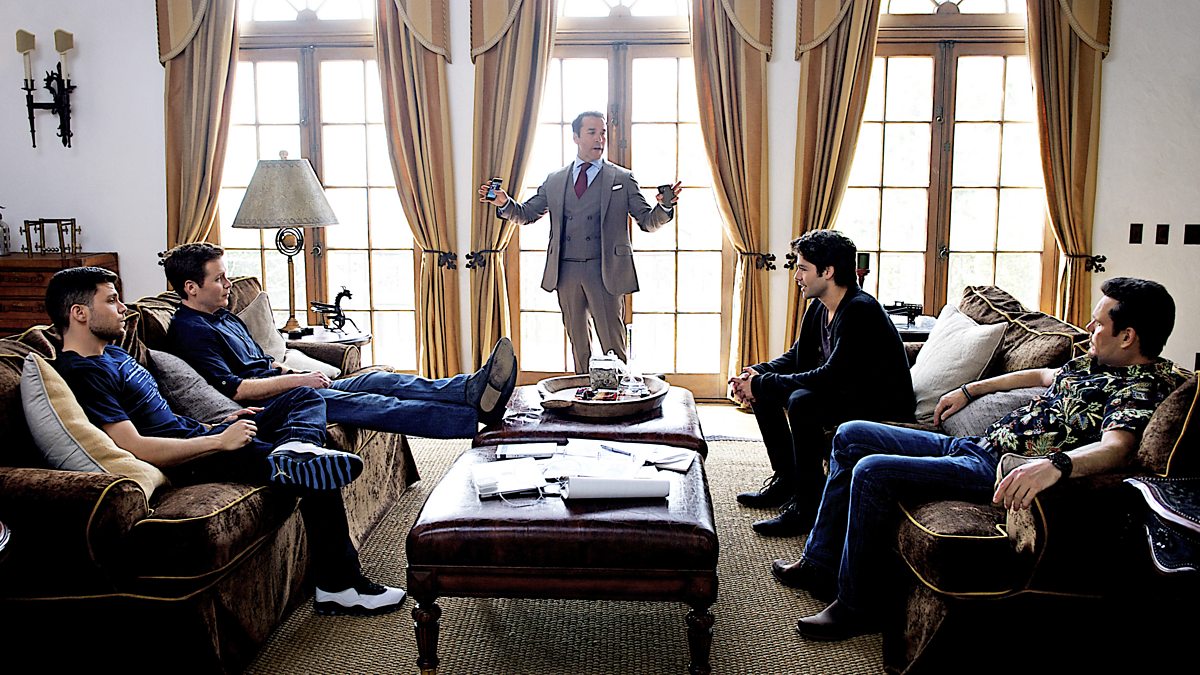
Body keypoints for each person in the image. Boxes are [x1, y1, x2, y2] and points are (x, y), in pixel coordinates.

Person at [777, 277, 1185, 642]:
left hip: (991, 470)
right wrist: (970, 390)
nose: (1089, 329)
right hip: (974, 445)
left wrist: (1056, 465)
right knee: (851, 434)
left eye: (1098, 324)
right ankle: (819, 562)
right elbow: (1039, 376)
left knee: (871, 471)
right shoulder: (1092, 364)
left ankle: (856, 606)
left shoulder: (1141, 388)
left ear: (1128, 336)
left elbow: (1117, 447)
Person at [47, 266, 406, 616]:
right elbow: (135, 447)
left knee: (304, 397)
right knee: (316, 471)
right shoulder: (83, 372)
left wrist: (218, 423)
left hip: (205, 432)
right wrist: (219, 442)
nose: (123, 308)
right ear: (79, 313)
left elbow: (163, 415)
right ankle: (340, 587)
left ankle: (297, 447)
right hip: (193, 458)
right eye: (111, 300)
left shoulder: (114, 353)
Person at [160, 243, 517, 437]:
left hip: (286, 387)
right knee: (374, 403)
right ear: (191, 288)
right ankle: (475, 417)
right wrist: (300, 381)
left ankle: (470, 388)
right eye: (219, 279)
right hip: (277, 405)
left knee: (380, 380)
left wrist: (292, 372)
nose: (228, 285)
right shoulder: (191, 332)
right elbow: (237, 390)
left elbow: (263, 364)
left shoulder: (221, 315)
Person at [728, 230, 914, 537]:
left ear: (828, 272)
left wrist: (762, 383)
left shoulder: (860, 310)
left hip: (880, 404)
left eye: (803, 268)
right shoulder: (819, 306)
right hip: (846, 393)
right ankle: (786, 480)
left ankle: (807, 506)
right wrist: (756, 373)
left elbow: (831, 376)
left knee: (801, 401)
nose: (796, 277)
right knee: (767, 390)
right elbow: (797, 357)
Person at [479, 111, 681, 373]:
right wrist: (504, 202)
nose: (600, 139)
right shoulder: (555, 180)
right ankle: (584, 392)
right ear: (576, 137)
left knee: (613, 345)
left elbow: (647, 221)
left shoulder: (622, 178)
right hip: (566, 272)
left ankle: (618, 395)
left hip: (605, 271)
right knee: (578, 345)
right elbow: (527, 214)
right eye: (592, 132)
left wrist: (664, 207)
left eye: (603, 133)